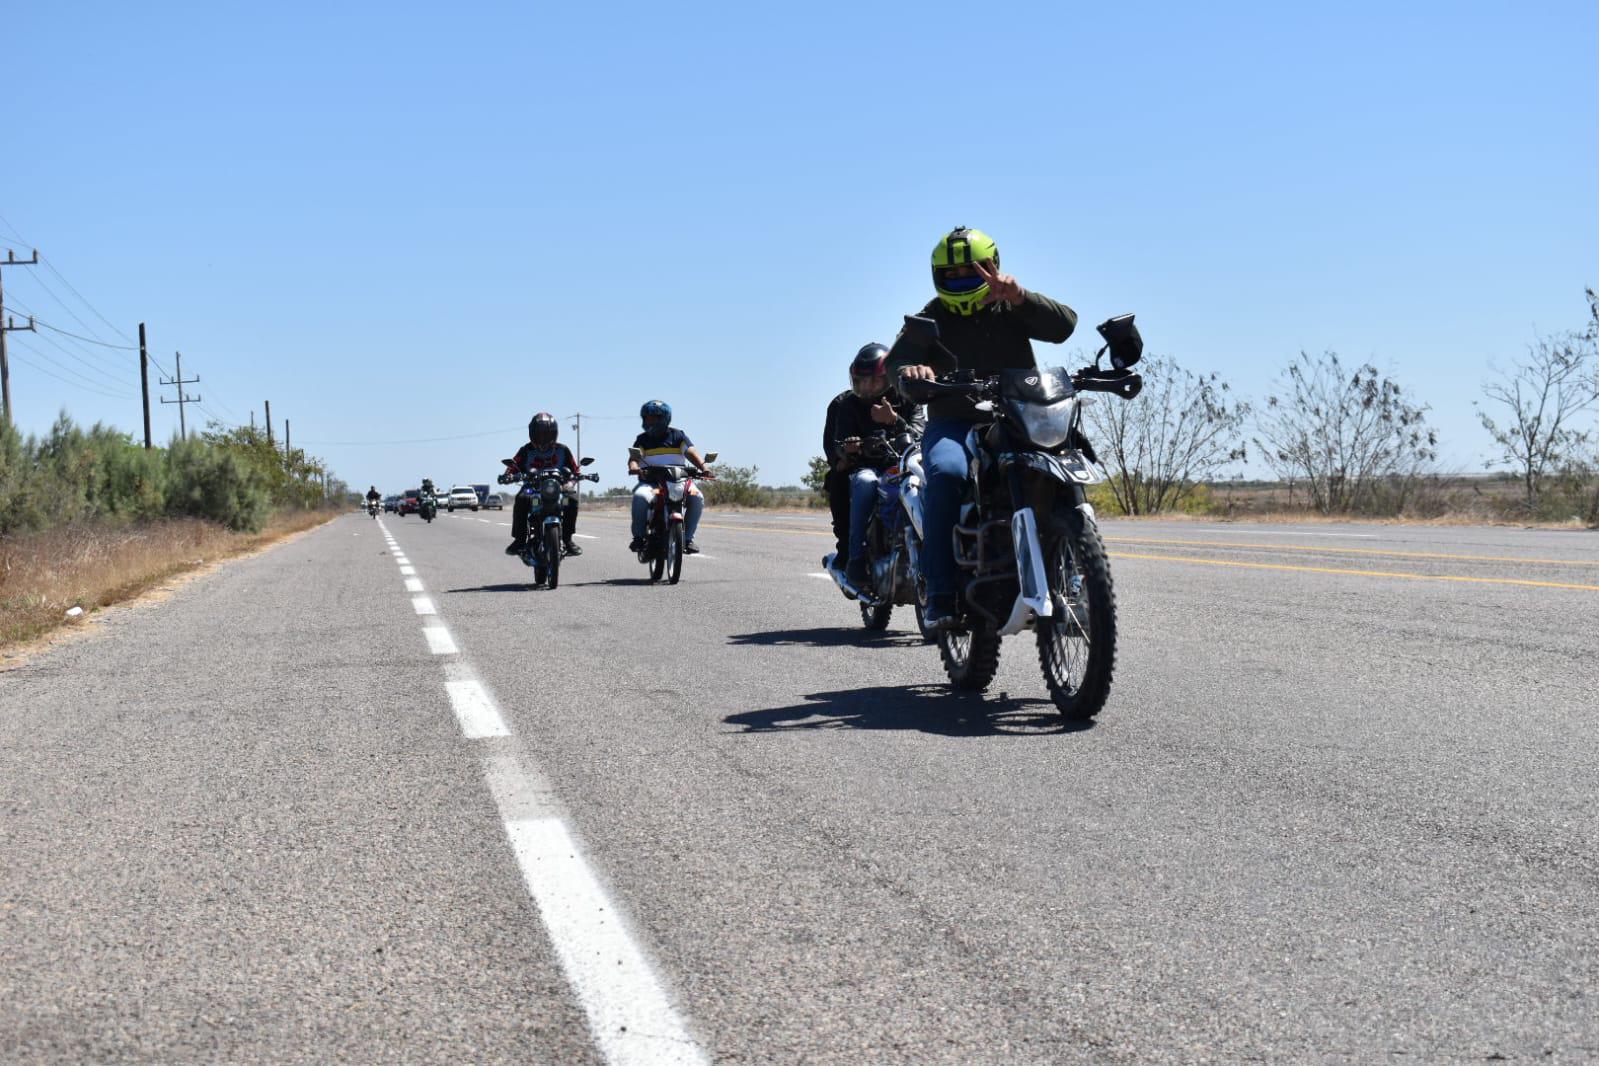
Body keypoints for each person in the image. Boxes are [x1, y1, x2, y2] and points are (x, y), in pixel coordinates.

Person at [886, 226, 1077, 631]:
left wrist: (1021, 297)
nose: (961, 280)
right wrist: (911, 371)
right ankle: (939, 594)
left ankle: (1076, 568)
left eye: (972, 270)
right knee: (948, 473)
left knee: (1066, 455)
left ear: (994, 266)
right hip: (954, 419)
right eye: (951, 274)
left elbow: (1064, 327)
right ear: (938, 276)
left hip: (1018, 417)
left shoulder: (1010, 305)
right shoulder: (929, 317)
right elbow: (896, 363)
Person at [822, 343, 924, 587]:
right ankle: (855, 558)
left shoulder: (909, 399)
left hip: (903, 468)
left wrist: (895, 421)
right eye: (861, 381)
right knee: (864, 482)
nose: (866, 387)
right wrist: (847, 449)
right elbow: (835, 444)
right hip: (866, 469)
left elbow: (921, 436)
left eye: (872, 382)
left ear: (887, 379)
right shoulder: (845, 404)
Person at [628, 400, 712, 554]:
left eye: (653, 418)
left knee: (697, 497)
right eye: (646, 418)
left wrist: (704, 467)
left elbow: (691, 453)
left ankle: (687, 539)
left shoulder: (678, 435)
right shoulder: (642, 439)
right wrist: (634, 467)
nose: (649, 421)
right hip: (652, 483)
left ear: (664, 418)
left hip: (679, 481)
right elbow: (634, 458)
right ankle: (639, 538)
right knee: (639, 497)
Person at [502, 412, 583, 557]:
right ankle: (519, 540)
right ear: (532, 434)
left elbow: (575, 470)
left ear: (554, 434)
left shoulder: (562, 450)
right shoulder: (526, 450)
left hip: (559, 489)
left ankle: (568, 539)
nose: (543, 438)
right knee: (521, 499)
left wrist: (570, 483)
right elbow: (513, 467)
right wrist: (508, 475)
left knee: (572, 499)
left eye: (547, 434)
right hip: (532, 488)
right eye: (539, 434)